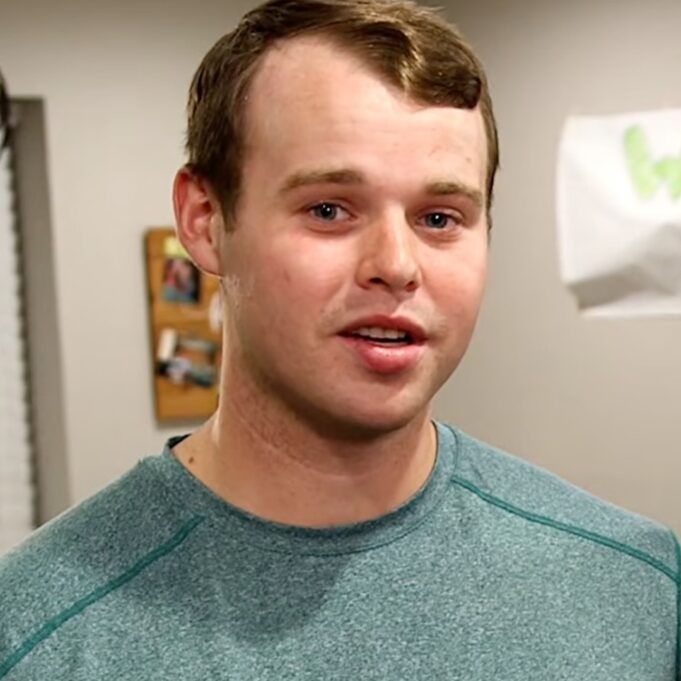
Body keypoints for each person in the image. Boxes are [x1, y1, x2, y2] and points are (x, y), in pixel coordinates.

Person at [0, 0, 679, 678]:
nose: (397, 265)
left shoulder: (636, 589)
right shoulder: (35, 633)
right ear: (205, 220)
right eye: (328, 210)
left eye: (439, 218)